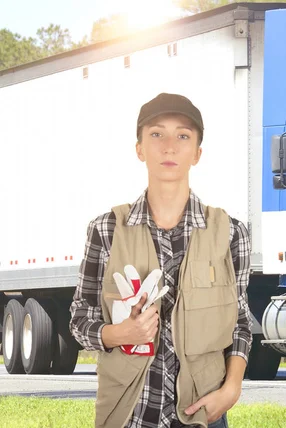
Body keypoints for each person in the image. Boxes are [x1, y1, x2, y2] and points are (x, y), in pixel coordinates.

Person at [69, 93, 252, 428]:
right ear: (139, 148)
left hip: (202, 413)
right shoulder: (106, 229)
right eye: (157, 134)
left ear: (197, 153)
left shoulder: (229, 233)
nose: (170, 146)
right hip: (129, 413)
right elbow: (80, 319)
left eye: (183, 136)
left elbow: (239, 322)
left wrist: (232, 389)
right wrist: (119, 333)